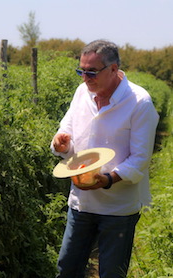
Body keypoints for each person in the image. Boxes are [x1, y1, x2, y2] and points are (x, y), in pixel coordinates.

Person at [50, 39, 159, 278]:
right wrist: (60, 143)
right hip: (81, 202)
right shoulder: (82, 93)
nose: (85, 78)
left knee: (111, 273)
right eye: (81, 71)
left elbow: (140, 158)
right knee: (67, 269)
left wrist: (108, 179)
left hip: (118, 208)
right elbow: (65, 132)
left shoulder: (139, 102)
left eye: (91, 72)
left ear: (113, 69)